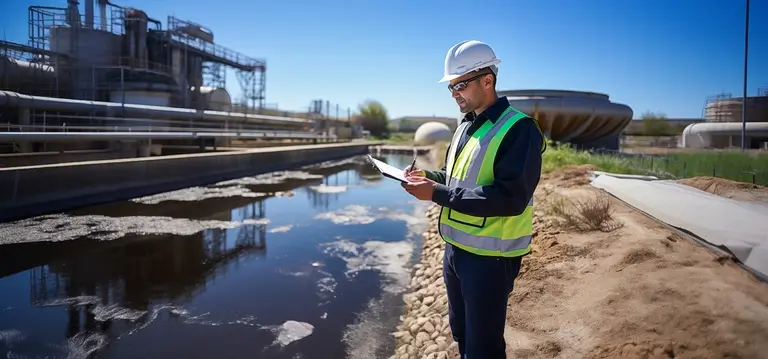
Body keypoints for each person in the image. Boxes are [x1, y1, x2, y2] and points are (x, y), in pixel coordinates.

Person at [401, 40, 547, 359]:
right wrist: (428, 178)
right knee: (462, 333)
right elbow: (454, 176)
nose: (455, 93)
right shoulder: (466, 126)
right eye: (451, 87)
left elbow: (510, 198)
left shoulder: (519, 130)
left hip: (490, 258)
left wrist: (436, 194)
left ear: (487, 80)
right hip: (455, 250)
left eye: (460, 84)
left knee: (484, 346)